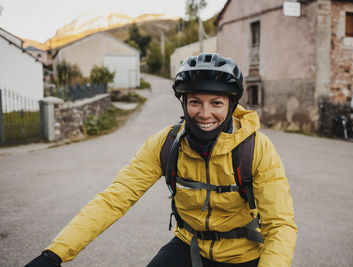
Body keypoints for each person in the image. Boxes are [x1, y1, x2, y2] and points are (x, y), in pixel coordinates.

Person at [26, 53, 297, 267]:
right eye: (195, 101)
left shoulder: (255, 148)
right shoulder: (166, 144)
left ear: (230, 105)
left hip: (244, 254)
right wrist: (55, 253)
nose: (205, 113)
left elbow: (280, 225)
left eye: (216, 102)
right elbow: (115, 198)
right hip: (188, 246)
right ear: (183, 103)